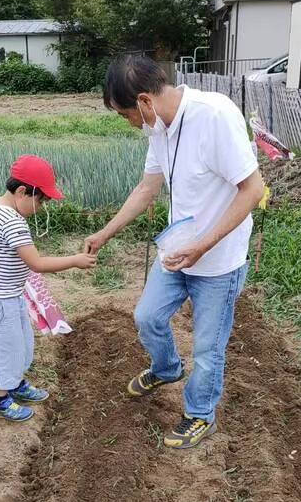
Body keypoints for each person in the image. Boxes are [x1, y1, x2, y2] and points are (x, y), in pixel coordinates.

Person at [84, 55, 265, 450]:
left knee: (207, 347)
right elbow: (147, 187)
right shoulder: (159, 127)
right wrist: (106, 232)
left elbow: (252, 190)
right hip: (180, 251)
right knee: (147, 316)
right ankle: (166, 368)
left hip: (217, 259)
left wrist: (203, 245)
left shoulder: (213, 117)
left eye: (125, 114)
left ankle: (201, 415)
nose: (128, 123)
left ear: (145, 101)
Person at [0, 154, 96, 422]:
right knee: (3, 347)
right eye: (40, 200)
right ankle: (0, 400)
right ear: (21, 191)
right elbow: (37, 263)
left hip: (8, 292)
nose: (40, 207)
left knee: (19, 342)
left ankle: (15, 384)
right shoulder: (13, 221)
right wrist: (75, 260)